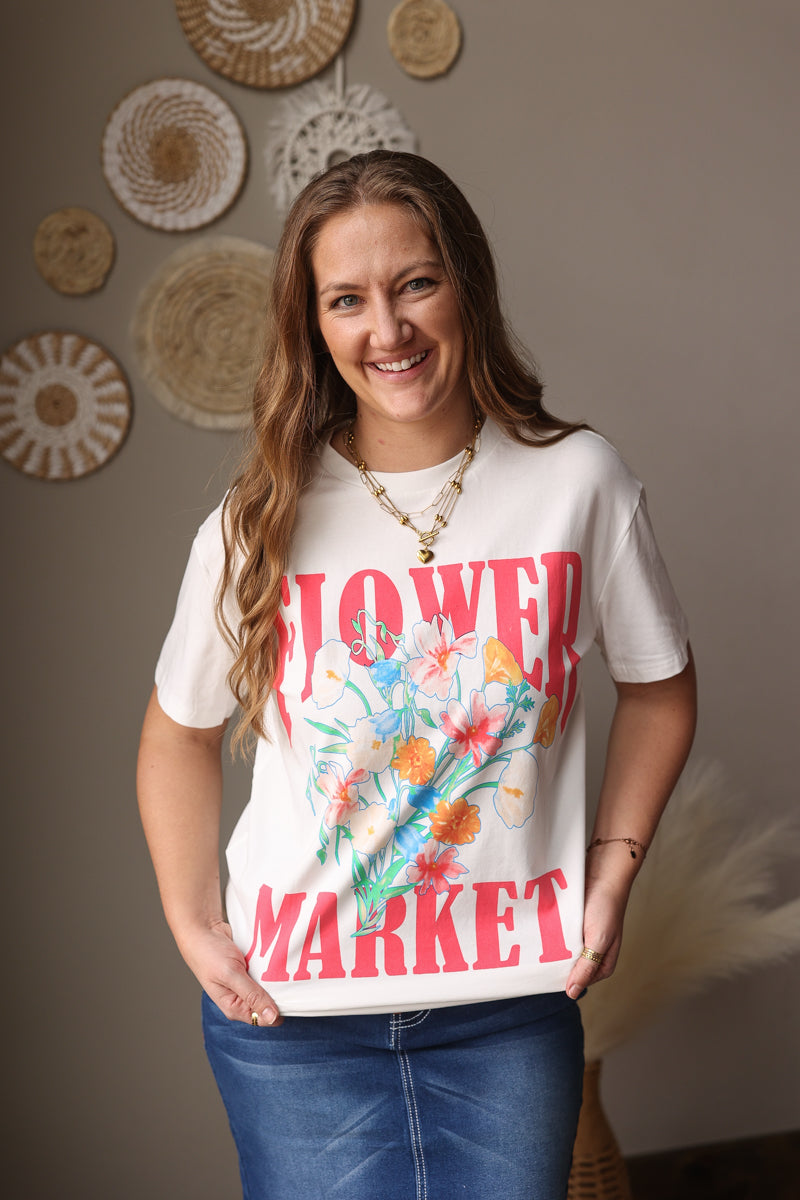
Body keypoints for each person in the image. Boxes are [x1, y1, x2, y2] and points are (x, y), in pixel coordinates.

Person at [137, 150, 696, 1200]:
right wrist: (194, 921)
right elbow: (178, 731)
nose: (384, 331)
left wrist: (613, 865)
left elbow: (659, 686)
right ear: (312, 323)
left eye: (414, 284)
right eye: (345, 300)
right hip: (293, 1024)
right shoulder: (260, 519)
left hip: (508, 1010)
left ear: (466, 286)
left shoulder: (576, 481)